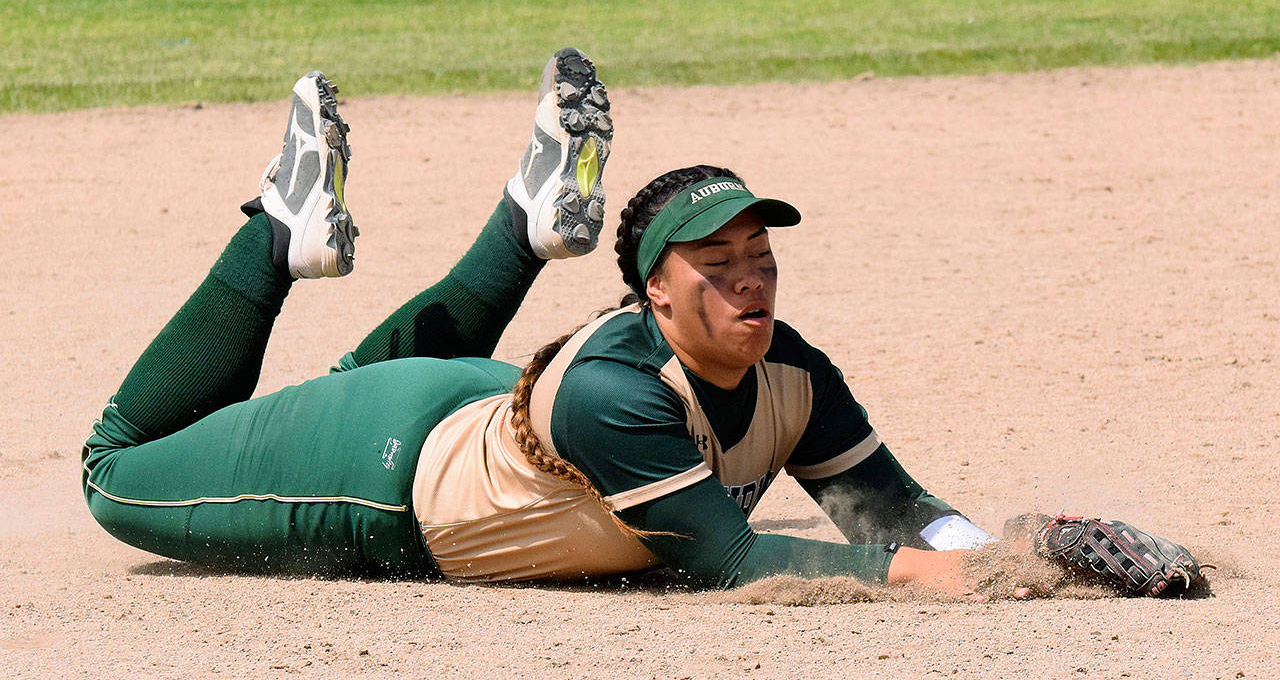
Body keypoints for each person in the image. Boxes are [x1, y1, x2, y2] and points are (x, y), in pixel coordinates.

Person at [82, 48, 1014, 595]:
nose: (750, 283)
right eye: (719, 265)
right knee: (114, 469)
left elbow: (892, 512)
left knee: (325, 395)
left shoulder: (791, 371)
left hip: (474, 404)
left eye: (761, 259)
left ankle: (524, 228)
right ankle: (276, 232)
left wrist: (1012, 553)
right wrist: (935, 579)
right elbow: (730, 562)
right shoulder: (614, 395)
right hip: (383, 478)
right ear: (653, 288)